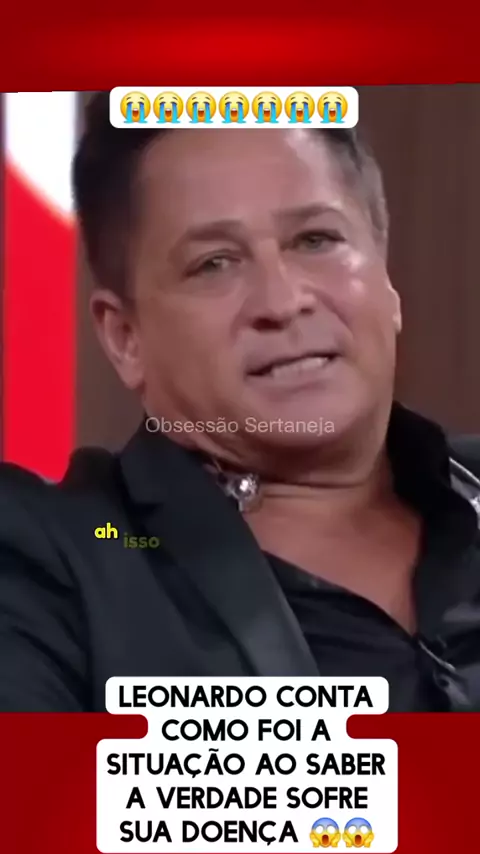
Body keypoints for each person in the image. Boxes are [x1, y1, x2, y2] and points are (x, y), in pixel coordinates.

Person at [1, 92, 480, 713]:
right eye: (214, 264)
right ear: (125, 338)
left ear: (384, 279)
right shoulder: (50, 562)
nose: (282, 302)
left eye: (315, 239)